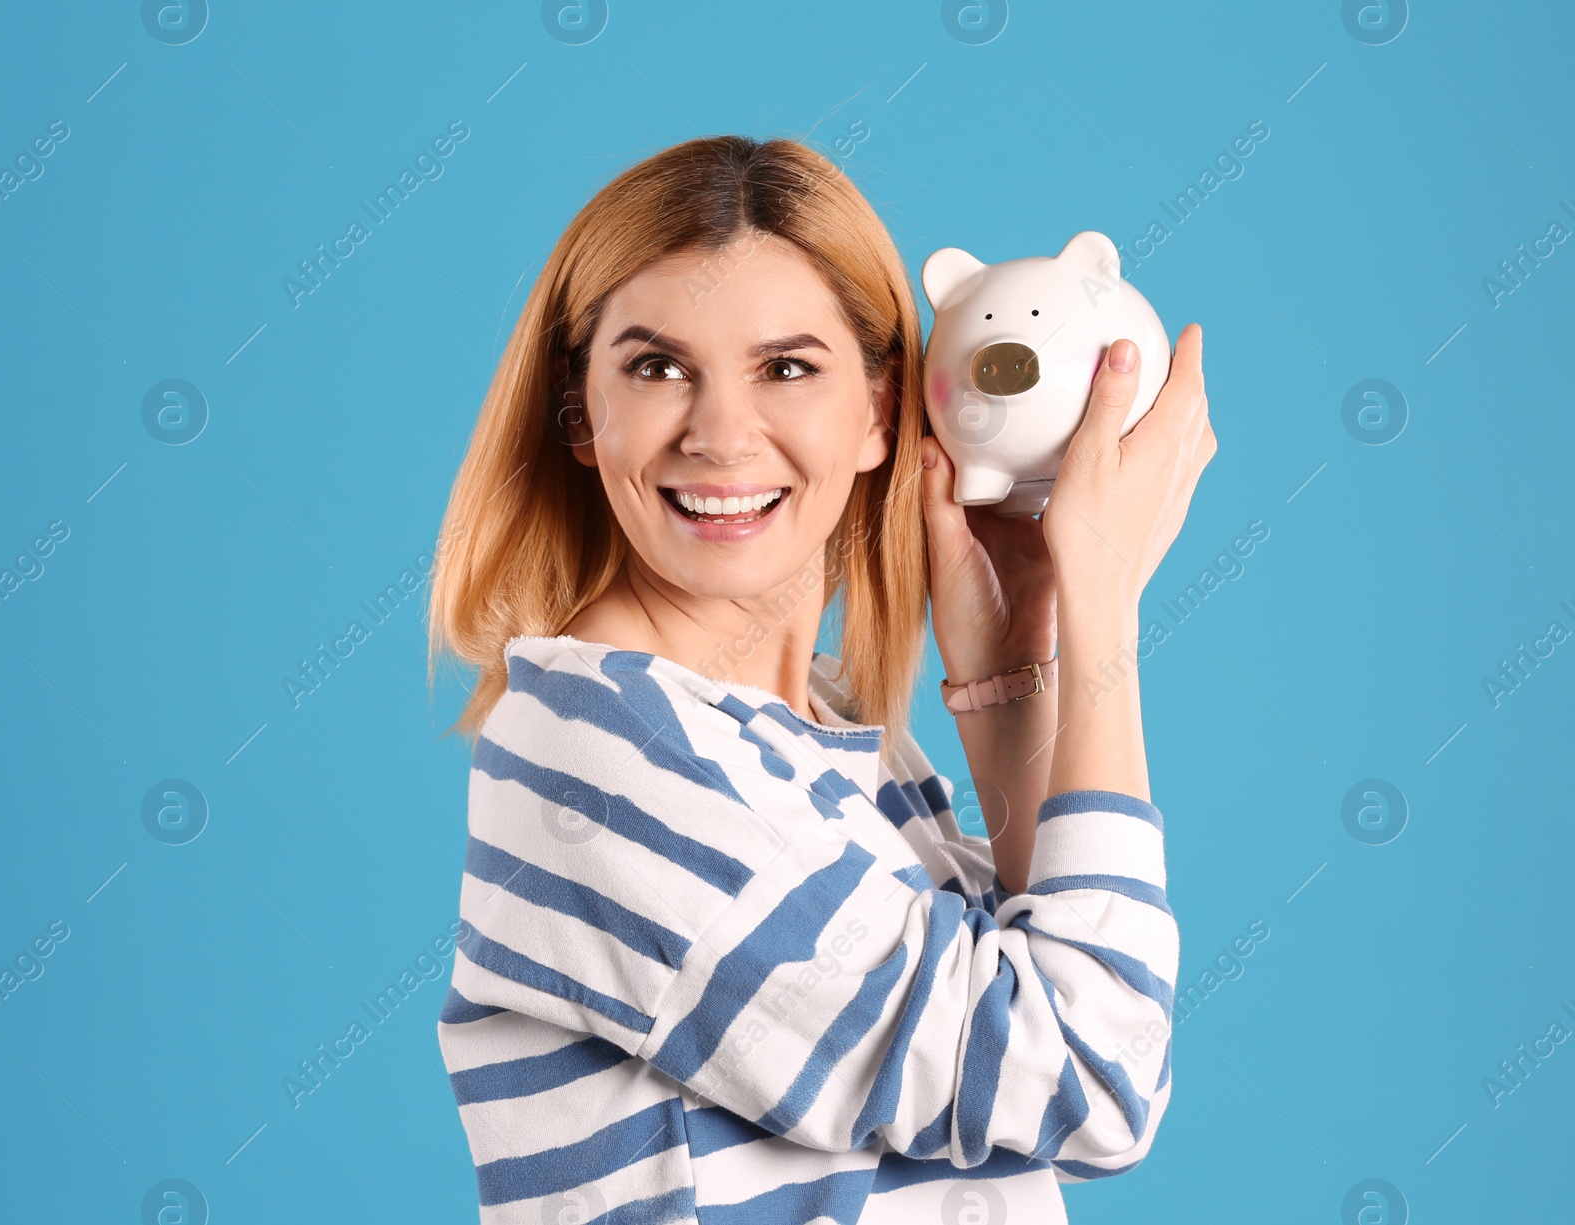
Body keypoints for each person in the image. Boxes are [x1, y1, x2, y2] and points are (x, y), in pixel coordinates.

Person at [426, 133, 1215, 1225]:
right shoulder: (605, 753)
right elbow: (1089, 1082)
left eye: (786, 367)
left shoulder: (820, 729)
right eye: (656, 368)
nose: (719, 434)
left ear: (881, 413)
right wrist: (1102, 606)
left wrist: (1008, 674)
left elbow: (1049, 1032)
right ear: (579, 414)